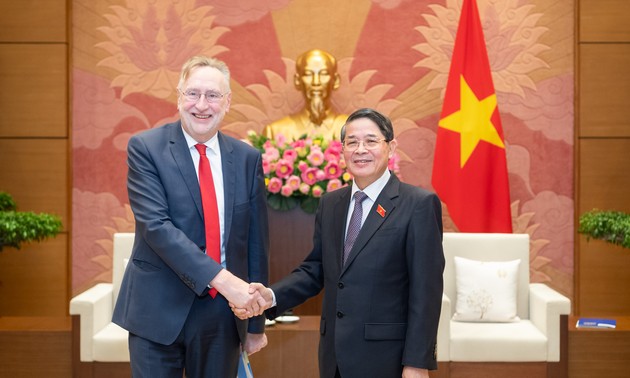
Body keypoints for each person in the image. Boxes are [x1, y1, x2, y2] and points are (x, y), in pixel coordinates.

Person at [234, 108, 445, 378]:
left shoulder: (418, 204)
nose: (361, 149)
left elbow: (426, 292)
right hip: (334, 357)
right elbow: (315, 270)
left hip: (388, 359)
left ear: (391, 148)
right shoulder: (332, 203)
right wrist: (270, 297)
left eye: (371, 141)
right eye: (352, 142)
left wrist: (417, 363)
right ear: (342, 150)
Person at [112, 55, 269, 377]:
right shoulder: (146, 148)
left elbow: (255, 243)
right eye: (192, 93)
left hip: (222, 313)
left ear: (227, 103)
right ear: (179, 96)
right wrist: (226, 281)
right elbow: (156, 228)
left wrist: (255, 322)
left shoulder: (246, 158)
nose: (202, 105)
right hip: (156, 308)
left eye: (213, 96)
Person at [262, 49, 348, 141]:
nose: (316, 82)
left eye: (323, 74)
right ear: (297, 81)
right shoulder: (275, 132)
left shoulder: (355, 130)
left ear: (335, 81)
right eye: (308, 74)